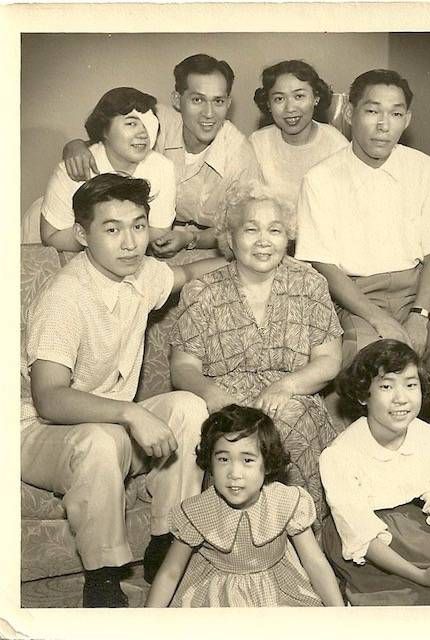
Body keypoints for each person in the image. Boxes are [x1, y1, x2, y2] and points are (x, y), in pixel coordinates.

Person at [21, 173, 227, 607]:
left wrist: (247, 257)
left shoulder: (142, 273)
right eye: (112, 230)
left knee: (189, 407)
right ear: (82, 234)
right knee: (99, 439)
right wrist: (132, 414)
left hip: (112, 426)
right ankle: (103, 578)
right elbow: (49, 398)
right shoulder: (65, 297)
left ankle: (167, 539)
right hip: (39, 435)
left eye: (138, 225)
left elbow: (187, 272)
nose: (130, 242)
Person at [295, 69, 430, 485]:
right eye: (372, 111)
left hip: (422, 289)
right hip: (358, 295)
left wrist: (420, 314)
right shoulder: (320, 179)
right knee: (366, 364)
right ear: (350, 113)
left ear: (407, 120)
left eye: (395, 113)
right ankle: (368, 487)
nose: (382, 124)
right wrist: (380, 318)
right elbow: (327, 267)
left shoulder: (425, 169)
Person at [169, 182, 343, 529]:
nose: (264, 240)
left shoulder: (309, 284)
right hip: (225, 401)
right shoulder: (202, 290)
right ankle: (232, 544)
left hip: (290, 395)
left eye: (275, 230)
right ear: (230, 239)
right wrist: (213, 395)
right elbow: (183, 367)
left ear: (287, 238)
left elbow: (329, 360)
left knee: (288, 425)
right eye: (251, 229)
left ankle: (299, 545)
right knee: (236, 440)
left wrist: (286, 386)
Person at [320, 339, 430, 606]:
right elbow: (360, 532)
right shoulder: (339, 455)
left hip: (417, 522)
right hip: (371, 545)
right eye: (387, 386)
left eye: (411, 384)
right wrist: (422, 577)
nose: (401, 398)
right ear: (362, 395)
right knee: (426, 596)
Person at [146, 404, 345, 607]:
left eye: (247, 460)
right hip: (216, 597)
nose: (234, 473)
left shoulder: (287, 501)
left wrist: (340, 615)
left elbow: (315, 563)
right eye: (223, 459)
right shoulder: (196, 511)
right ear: (210, 463)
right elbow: (171, 572)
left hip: (278, 591)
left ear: (267, 464)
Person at [62, 54, 259, 257]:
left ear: (228, 103)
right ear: (177, 100)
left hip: (203, 245)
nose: (208, 113)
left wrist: (191, 238)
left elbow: (243, 229)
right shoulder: (155, 121)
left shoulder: (241, 156)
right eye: (197, 99)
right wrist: (74, 146)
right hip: (132, 232)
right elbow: (105, 141)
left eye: (218, 101)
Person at [39, 86, 176, 251]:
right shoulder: (76, 164)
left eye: (149, 124)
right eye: (131, 123)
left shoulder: (163, 167)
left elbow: (160, 230)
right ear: (104, 129)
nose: (143, 133)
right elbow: (51, 236)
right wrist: (107, 240)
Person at [251, 59, 348, 208]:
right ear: (269, 104)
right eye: (279, 99)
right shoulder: (258, 143)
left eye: (299, 96)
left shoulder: (337, 145)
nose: (290, 108)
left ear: (316, 98)